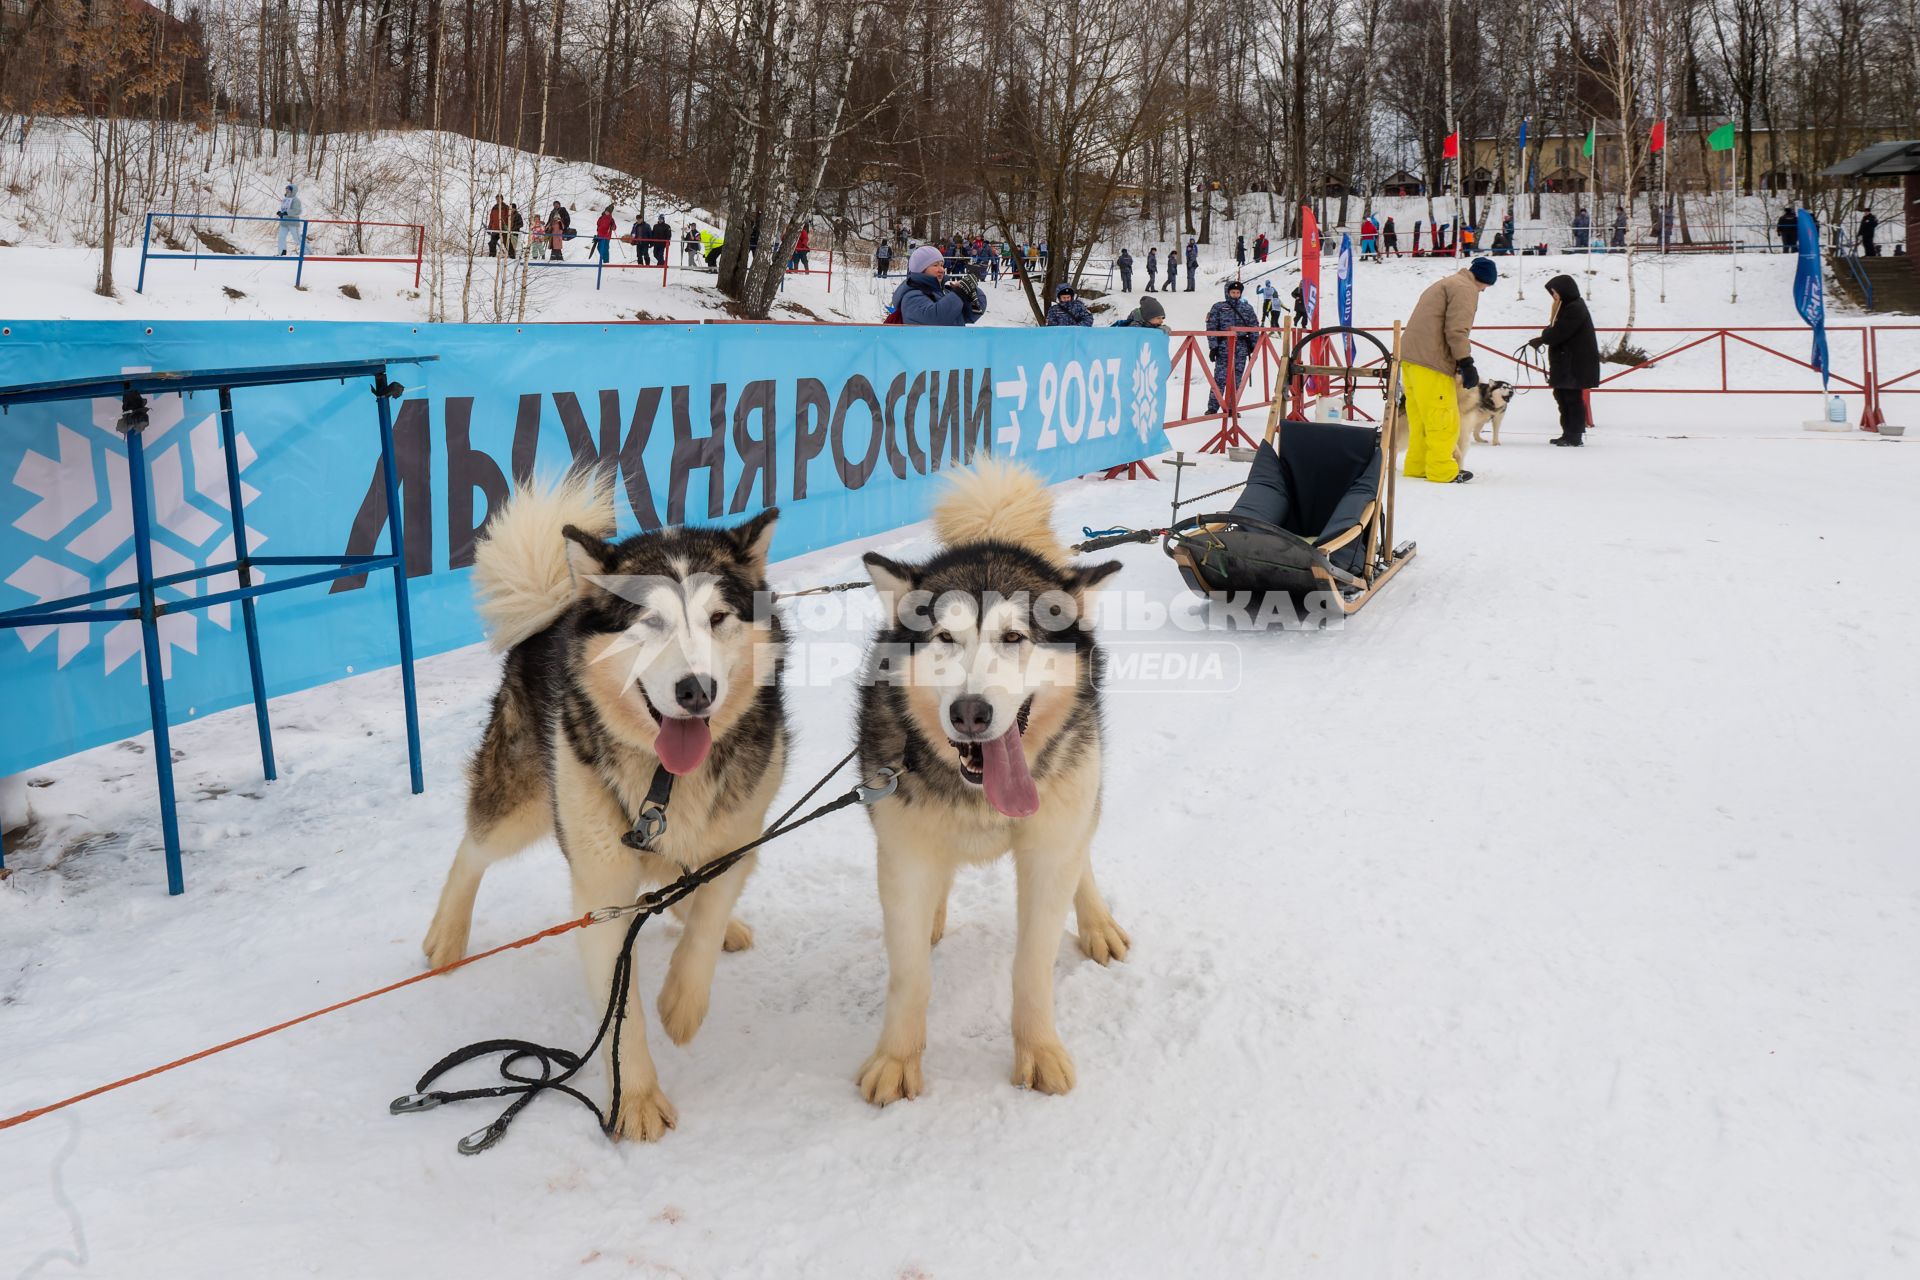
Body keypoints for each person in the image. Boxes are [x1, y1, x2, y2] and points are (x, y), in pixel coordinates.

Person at [1400, 256, 1496, 484]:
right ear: (1484, 280)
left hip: (1411, 360)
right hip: (1432, 361)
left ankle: (1418, 465)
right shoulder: (1465, 289)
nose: (1482, 291)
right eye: (1486, 287)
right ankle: (1442, 470)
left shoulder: (1446, 283)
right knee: (1443, 418)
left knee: (1421, 418)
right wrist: (1466, 362)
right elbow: (1456, 331)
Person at [1527, 274, 1601, 448]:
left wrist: (1543, 338)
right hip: (1567, 363)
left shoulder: (1574, 308)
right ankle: (1568, 432)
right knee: (1562, 396)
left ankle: (1574, 435)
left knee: (1571, 398)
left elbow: (1559, 332)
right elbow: (1556, 330)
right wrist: (1545, 337)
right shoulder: (1567, 307)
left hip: (1574, 364)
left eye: (1554, 292)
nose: (1553, 296)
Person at [889, 244, 987, 325]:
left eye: (942, 265)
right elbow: (936, 319)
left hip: (955, 346)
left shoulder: (946, 292)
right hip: (930, 348)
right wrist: (959, 293)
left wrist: (971, 290)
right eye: (935, 265)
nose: (941, 269)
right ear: (920, 270)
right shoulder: (911, 297)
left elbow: (971, 315)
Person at [1203, 281, 1259, 413]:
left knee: (1237, 379)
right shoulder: (1218, 307)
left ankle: (1230, 408)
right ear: (1227, 293)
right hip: (1223, 347)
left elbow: (1254, 327)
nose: (1235, 295)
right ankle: (1213, 407)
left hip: (1241, 347)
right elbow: (1211, 327)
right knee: (1220, 378)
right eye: (1233, 292)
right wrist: (1213, 347)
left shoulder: (1247, 308)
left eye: (1238, 292)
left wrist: (1253, 345)